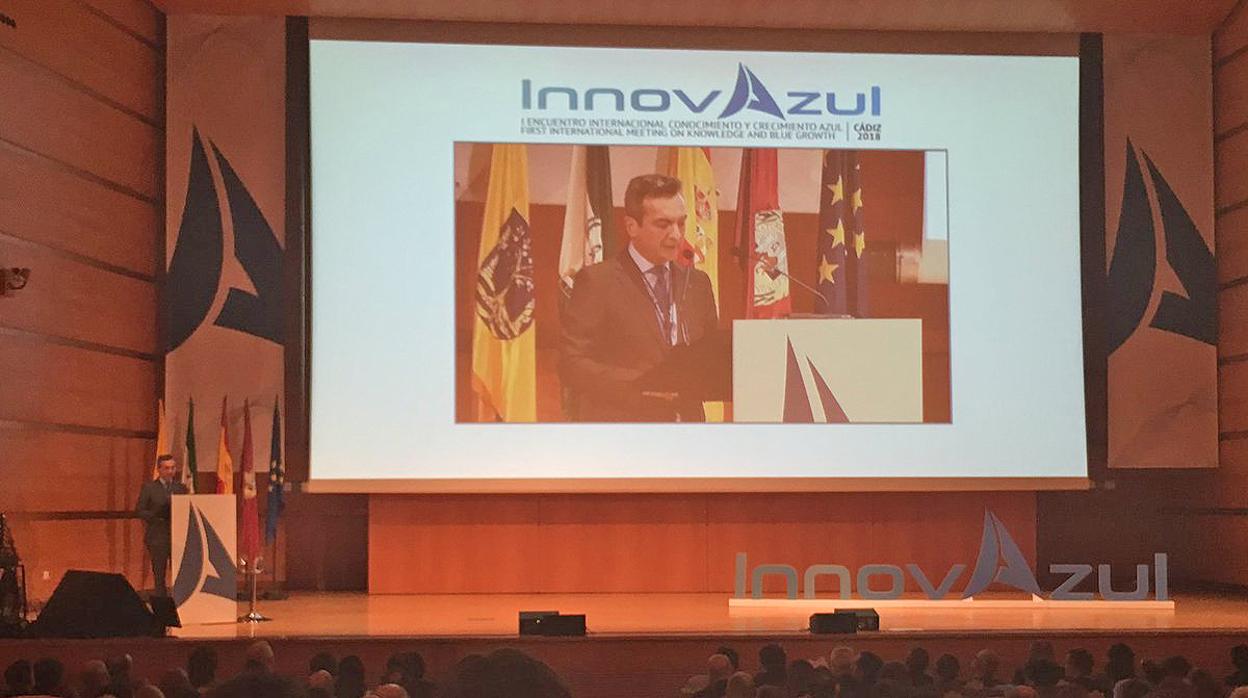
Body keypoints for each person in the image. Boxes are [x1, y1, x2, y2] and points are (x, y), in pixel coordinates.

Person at [560, 174, 719, 422]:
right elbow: (571, 364)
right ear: (631, 226)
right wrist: (641, 384)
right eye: (663, 224)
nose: (676, 235)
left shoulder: (697, 284)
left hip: (688, 431)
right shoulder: (598, 282)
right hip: (623, 429)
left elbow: (710, 355)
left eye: (681, 223)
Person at [136, 454, 190, 596]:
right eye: (166, 468)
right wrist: (155, 515)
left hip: (177, 536)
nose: (170, 471)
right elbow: (140, 510)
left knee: (180, 573)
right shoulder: (149, 488)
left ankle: (180, 601)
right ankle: (161, 602)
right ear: (159, 469)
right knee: (159, 574)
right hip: (157, 536)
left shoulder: (181, 488)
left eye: (173, 468)